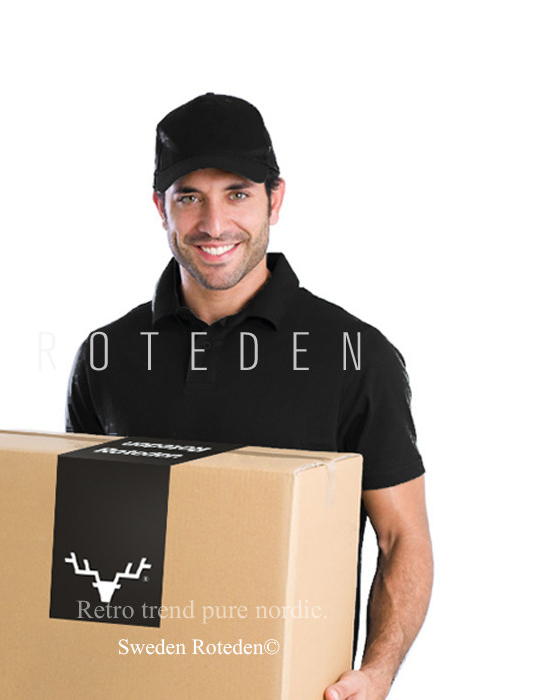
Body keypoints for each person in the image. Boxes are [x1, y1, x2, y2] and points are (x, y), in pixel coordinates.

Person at [66, 92, 433, 700]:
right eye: (189, 197)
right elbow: (90, 539)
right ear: (160, 207)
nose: (214, 225)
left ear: (275, 200)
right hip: (135, 682)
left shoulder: (353, 353)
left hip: (290, 686)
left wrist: (377, 672)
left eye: (237, 194)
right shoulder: (109, 355)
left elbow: (402, 538)